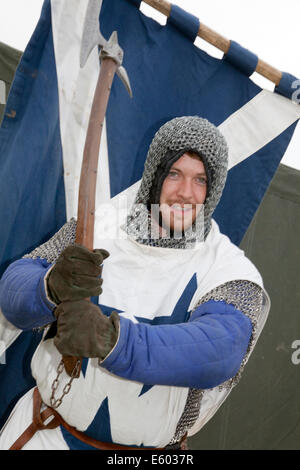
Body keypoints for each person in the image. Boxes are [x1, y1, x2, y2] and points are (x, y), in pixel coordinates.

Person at [0, 116, 270, 450]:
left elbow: (219, 350)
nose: (186, 193)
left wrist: (113, 340)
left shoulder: (227, 269)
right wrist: (48, 287)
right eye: (174, 174)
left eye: (200, 180)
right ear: (155, 174)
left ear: (214, 189)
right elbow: (12, 293)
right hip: (45, 435)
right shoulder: (94, 229)